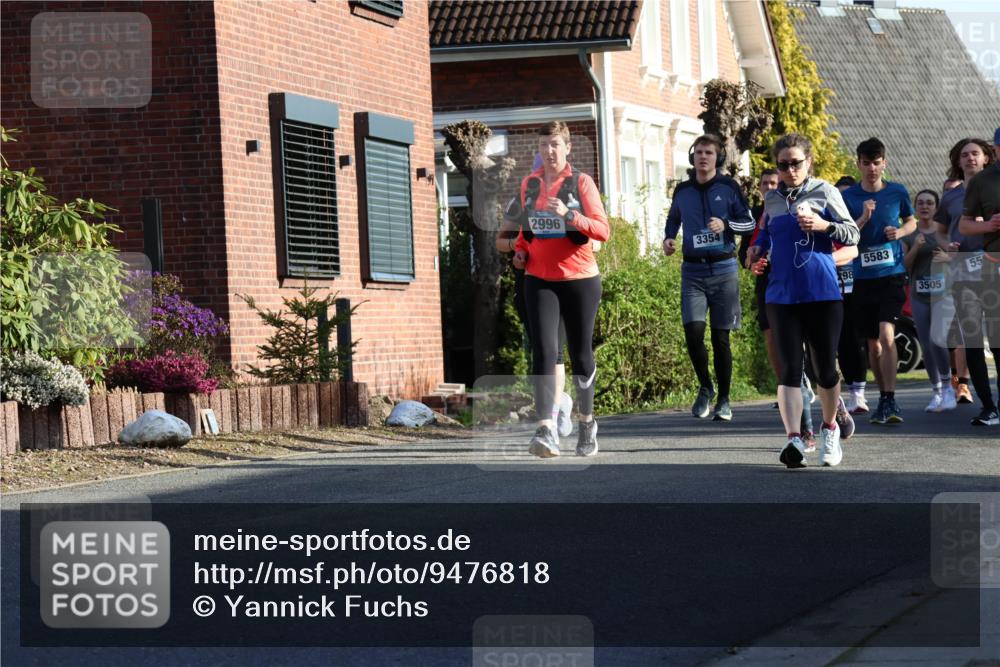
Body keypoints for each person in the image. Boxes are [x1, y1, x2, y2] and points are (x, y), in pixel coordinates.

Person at [749, 133, 859, 468]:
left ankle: (829, 430)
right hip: (781, 295)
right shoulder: (771, 200)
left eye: (795, 163)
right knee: (789, 371)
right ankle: (794, 439)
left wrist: (824, 224)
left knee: (825, 370)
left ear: (808, 161)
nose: (789, 170)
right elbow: (766, 237)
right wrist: (757, 252)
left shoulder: (825, 191)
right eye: (783, 165)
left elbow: (853, 233)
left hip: (822, 293)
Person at [512, 121, 610, 457]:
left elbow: (602, 230)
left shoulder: (581, 182)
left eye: (555, 144)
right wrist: (521, 251)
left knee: (581, 354)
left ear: (567, 147)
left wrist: (569, 214)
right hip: (539, 279)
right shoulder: (529, 184)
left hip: (580, 279)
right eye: (543, 146)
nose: (549, 152)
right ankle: (546, 429)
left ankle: (586, 421)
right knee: (543, 350)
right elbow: (527, 231)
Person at [663, 134, 755, 421]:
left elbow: (749, 222)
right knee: (693, 333)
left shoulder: (728, 188)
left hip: (724, 270)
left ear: (718, 158)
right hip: (692, 271)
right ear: (692, 157)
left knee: (720, 338)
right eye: (699, 152)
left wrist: (725, 224)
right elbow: (673, 219)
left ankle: (725, 400)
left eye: (709, 153)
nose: (703, 157)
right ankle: (706, 386)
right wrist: (668, 238)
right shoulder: (682, 190)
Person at [840, 138, 917, 425]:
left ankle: (889, 398)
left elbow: (911, 221)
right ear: (858, 164)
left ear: (884, 163)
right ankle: (882, 398)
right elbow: (844, 235)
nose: (872, 168)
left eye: (877, 162)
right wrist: (862, 218)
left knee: (887, 334)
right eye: (866, 163)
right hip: (862, 278)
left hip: (892, 275)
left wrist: (900, 232)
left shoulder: (897, 191)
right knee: (873, 345)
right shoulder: (849, 198)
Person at [497, 196, 574, 438]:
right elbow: (500, 241)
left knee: (555, 351)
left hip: (565, 284)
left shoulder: (572, 199)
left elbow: (595, 239)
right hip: (530, 286)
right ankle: (561, 401)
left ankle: (550, 418)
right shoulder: (520, 201)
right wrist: (517, 247)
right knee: (540, 353)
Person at [937, 136, 997, 424]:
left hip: (993, 270)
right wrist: (947, 246)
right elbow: (939, 232)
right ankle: (988, 406)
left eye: (975, 153)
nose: (970, 158)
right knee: (972, 340)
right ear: (958, 162)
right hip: (963, 273)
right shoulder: (951, 196)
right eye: (965, 155)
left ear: (986, 157)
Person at [956, 127, 1000, 426]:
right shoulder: (982, 182)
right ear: (995, 149)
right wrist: (990, 226)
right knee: (972, 337)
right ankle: (988, 406)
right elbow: (964, 225)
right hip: (980, 268)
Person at [901, 189, 957, 412]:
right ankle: (936, 392)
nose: (925, 206)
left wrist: (947, 258)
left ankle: (948, 388)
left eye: (930, 203)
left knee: (938, 340)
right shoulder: (909, 234)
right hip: (919, 294)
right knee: (926, 344)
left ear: (936, 207)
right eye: (921, 203)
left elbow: (959, 260)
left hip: (944, 293)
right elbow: (904, 266)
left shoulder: (944, 232)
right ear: (916, 207)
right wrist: (916, 247)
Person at [834, 175, 869, 414]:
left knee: (857, 339)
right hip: (833, 288)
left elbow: (854, 242)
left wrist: (864, 219)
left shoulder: (859, 221)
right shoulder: (829, 219)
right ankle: (849, 387)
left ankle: (859, 390)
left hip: (858, 284)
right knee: (841, 341)